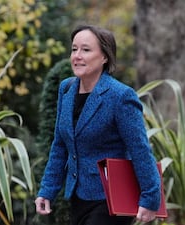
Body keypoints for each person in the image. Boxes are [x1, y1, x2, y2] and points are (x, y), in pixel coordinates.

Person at [35, 24, 161, 225]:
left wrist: (151, 198)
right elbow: (60, 144)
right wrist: (47, 190)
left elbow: (140, 149)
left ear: (104, 57)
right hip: (78, 196)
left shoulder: (121, 96)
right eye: (74, 49)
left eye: (85, 50)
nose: (77, 55)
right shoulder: (66, 89)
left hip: (111, 199)